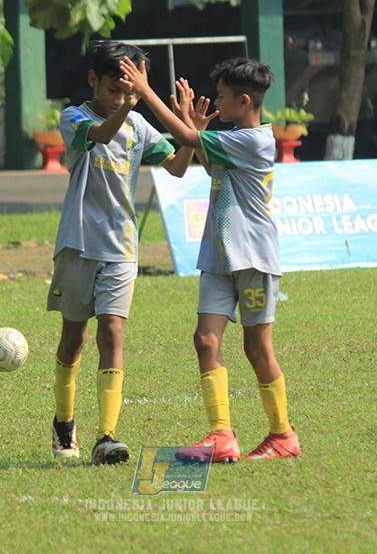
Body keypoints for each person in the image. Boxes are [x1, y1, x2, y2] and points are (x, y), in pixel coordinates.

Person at [120, 56, 301, 462]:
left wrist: (148, 91)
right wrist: (195, 133)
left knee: (258, 350)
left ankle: (282, 434)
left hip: (253, 258)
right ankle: (221, 435)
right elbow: (207, 162)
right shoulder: (233, 139)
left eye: (221, 98)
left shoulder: (253, 139)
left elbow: (185, 138)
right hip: (219, 258)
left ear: (244, 100)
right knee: (205, 340)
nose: (216, 105)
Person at [47, 40, 197, 465]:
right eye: (116, 88)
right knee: (73, 338)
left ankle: (105, 436)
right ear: (93, 80)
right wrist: (130, 105)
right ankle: (63, 423)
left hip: (122, 247)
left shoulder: (138, 126)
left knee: (112, 331)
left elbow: (178, 167)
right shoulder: (74, 117)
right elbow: (98, 135)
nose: (123, 97)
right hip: (78, 243)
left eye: (130, 89)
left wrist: (187, 129)